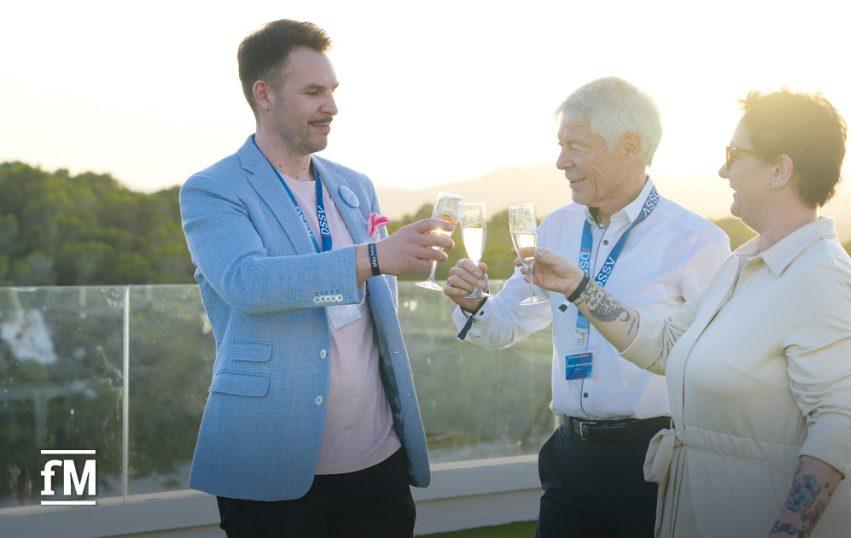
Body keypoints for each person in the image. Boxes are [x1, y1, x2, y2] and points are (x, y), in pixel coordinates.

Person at [526, 89, 851, 537]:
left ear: (780, 170)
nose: (723, 170)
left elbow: (834, 428)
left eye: (734, 154)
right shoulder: (743, 265)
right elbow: (664, 345)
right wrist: (578, 287)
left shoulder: (821, 275)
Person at [179, 19, 455, 538]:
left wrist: (420, 265)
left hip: (378, 463)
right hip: (270, 466)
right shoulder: (213, 190)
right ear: (264, 94)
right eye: (313, 92)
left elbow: (377, 297)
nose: (331, 106)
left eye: (332, 90)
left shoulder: (356, 186)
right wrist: (375, 256)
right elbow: (247, 284)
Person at [443, 77, 731, 537]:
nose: (561, 162)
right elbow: (504, 324)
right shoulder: (556, 227)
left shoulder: (697, 241)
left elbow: (718, 368)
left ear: (629, 147)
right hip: (568, 459)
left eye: (575, 147)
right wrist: (474, 302)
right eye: (560, 146)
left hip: (654, 462)